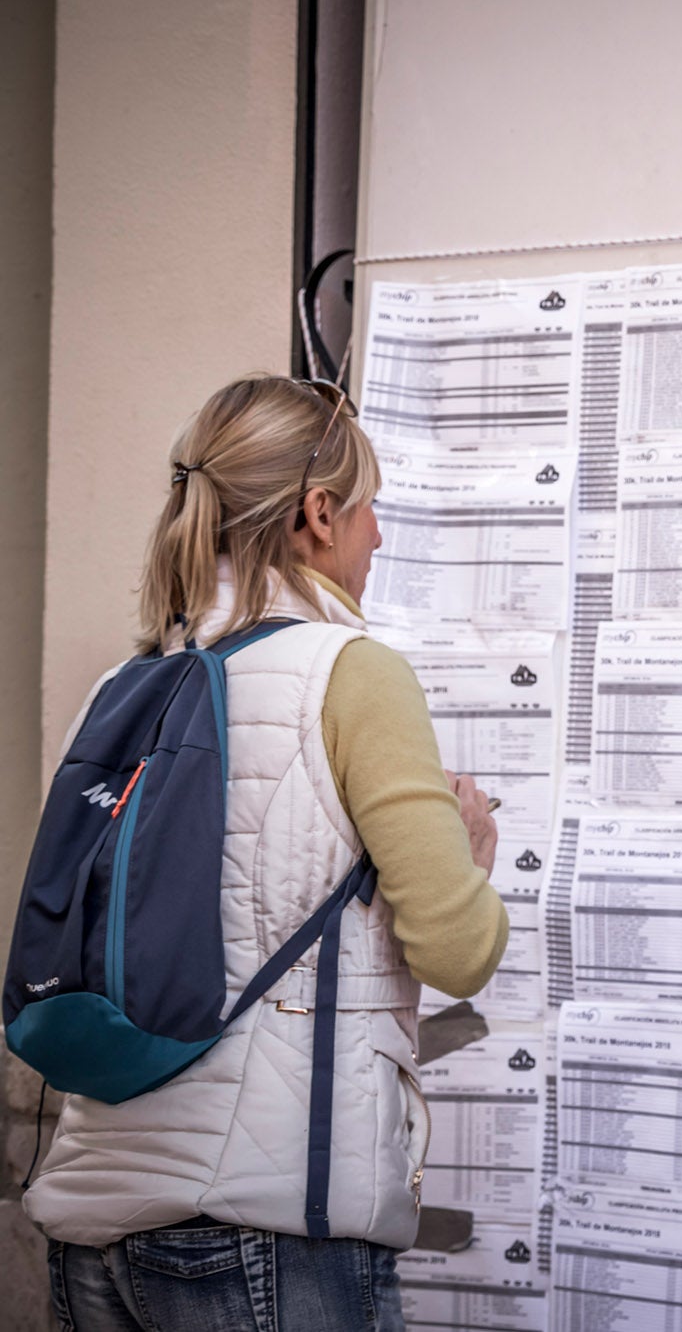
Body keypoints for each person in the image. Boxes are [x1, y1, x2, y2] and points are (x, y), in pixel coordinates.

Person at [28, 376, 510, 1331]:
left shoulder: (126, 685)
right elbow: (458, 952)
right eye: (370, 506)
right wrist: (473, 851)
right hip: (268, 1233)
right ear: (317, 515)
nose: (380, 535)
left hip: (89, 1227)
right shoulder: (353, 673)